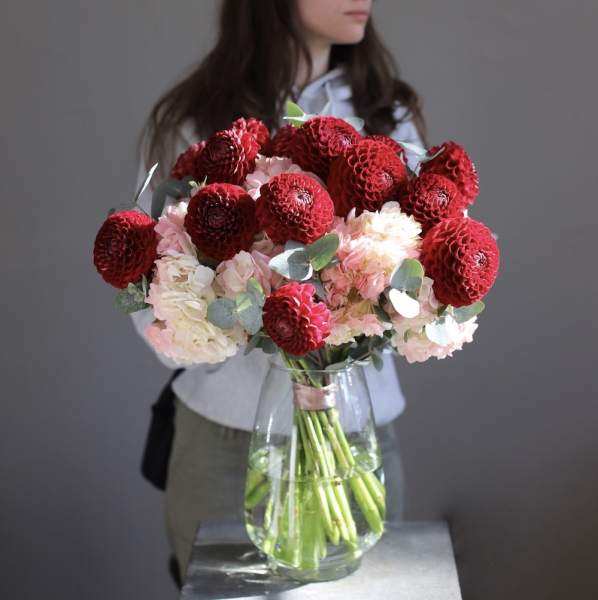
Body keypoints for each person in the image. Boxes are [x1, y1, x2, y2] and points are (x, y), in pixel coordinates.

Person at [132, 0, 426, 584]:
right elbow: (149, 281)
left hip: (357, 434)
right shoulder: (199, 120)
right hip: (224, 439)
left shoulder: (386, 116)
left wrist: (349, 321)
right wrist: (240, 320)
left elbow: (419, 274)